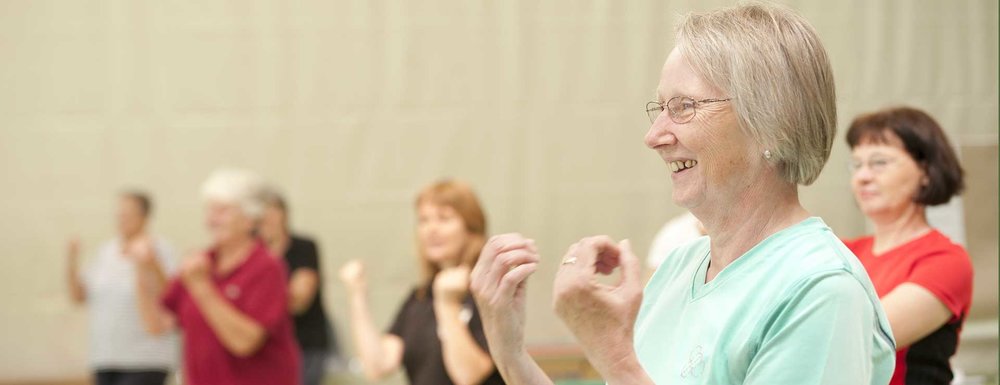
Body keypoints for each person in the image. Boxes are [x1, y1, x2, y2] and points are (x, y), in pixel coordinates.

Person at [469, 4, 896, 385]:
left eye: (684, 107)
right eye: (660, 108)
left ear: (773, 124)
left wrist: (615, 356)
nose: (654, 136)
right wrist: (509, 354)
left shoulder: (819, 291)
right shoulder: (680, 267)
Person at [843, 106, 973, 385]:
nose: (863, 176)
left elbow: (859, 337)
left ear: (925, 171)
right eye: (857, 164)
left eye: (879, 162)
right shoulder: (843, 252)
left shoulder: (946, 260)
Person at [134, 169, 300, 385]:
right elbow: (157, 325)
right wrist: (143, 268)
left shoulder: (266, 268)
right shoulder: (201, 263)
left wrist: (202, 288)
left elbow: (244, 342)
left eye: (223, 211)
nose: (212, 220)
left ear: (250, 220)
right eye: (210, 211)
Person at [338, 179, 504, 385]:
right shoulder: (420, 297)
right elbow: (378, 365)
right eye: (423, 220)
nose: (431, 229)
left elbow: (468, 375)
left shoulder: (489, 292)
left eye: (444, 219)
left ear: (471, 228)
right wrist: (357, 295)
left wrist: (447, 305)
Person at [66, 191, 178, 385]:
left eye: (128, 213)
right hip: (106, 356)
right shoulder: (106, 252)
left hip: (146, 357)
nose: (122, 219)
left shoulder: (160, 248)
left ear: (144, 217)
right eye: (120, 214)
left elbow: (172, 294)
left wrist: (151, 263)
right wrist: (72, 260)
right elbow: (79, 296)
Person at [259, 189, 339, 385]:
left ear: (284, 215)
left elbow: (299, 300)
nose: (268, 219)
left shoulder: (304, 247)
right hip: (266, 348)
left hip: (305, 344)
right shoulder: (253, 254)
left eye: (272, 212)